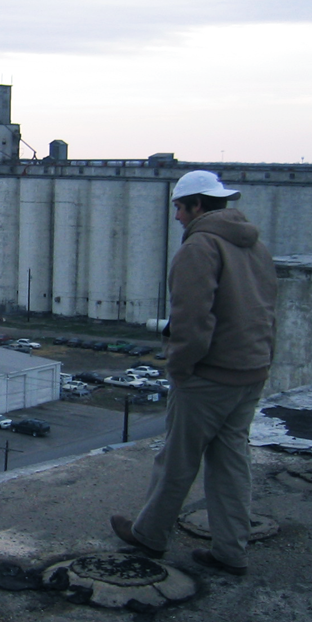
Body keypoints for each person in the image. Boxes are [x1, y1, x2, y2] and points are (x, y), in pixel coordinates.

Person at [111, 170, 277, 576]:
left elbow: (191, 321)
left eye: (180, 208)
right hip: (251, 370)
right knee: (231, 462)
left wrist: (180, 369)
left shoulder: (199, 248)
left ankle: (149, 535)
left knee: (178, 461)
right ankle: (230, 550)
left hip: (211, 375)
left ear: (198, 205)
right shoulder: (255, 245)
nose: (178, 217)